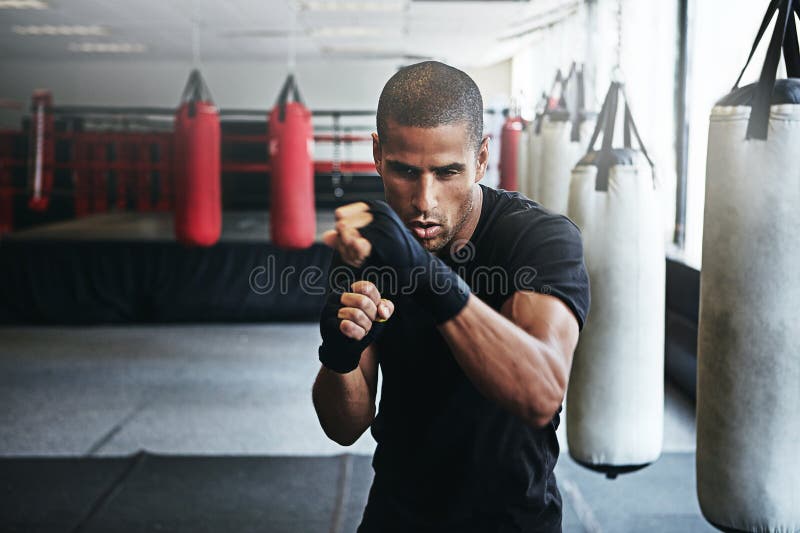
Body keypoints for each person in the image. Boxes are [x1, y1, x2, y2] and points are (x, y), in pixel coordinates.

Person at [311, 61, 590, 532]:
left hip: (512, 521)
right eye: (404, 171)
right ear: (377, 154)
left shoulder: (537, 240)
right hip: (396, 515)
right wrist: (340, 354)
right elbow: (344, 427)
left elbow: (540, 393)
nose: (424, 200)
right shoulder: (368, 246)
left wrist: (423, 275)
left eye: (447, 172)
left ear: (482, 158)